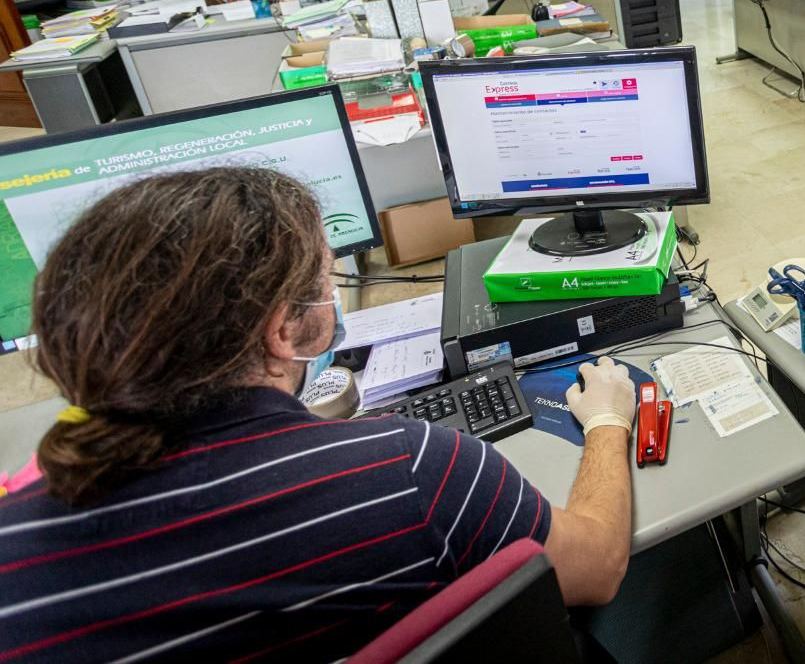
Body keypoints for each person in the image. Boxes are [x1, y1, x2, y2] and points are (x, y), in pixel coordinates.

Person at [0, 167, 636, 662]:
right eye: (323, 277)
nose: (331, 291)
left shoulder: (18, 532)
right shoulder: (413, 469)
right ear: (281, 330)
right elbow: (599, 564)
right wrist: (609, 423)